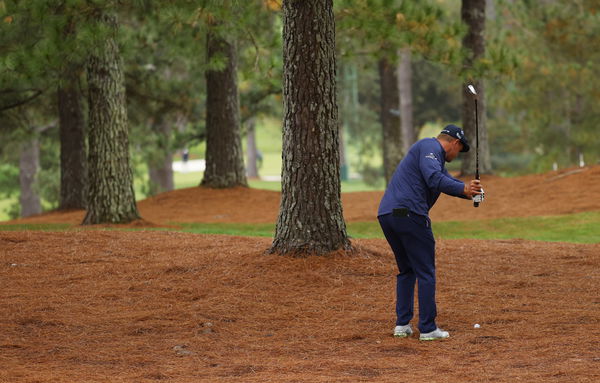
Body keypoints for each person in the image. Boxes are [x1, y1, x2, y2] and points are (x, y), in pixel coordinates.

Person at [377, 124, 483, 341]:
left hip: (389, 215)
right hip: (410, 215)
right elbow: (435, 179)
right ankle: (427, 328)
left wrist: (472, 193)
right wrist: (464, 189)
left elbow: (447, 180)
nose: (458, 155)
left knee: (407, 270)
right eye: (459, 150)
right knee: (425, 271)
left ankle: (402, 325)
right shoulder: (429, 146)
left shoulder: (432, 158)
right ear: (454, 142)